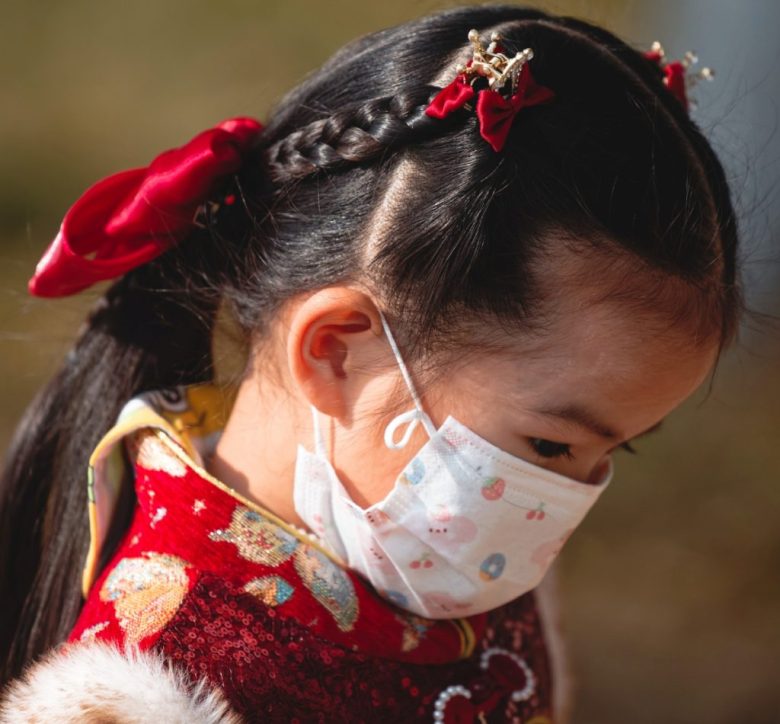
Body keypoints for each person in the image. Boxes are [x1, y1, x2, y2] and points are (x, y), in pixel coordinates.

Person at [0, 4, 742, 722]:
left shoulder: (449, 561)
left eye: (613, 450)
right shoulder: (151, 693)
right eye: (551, 446)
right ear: (335, 350)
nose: (564, 506)